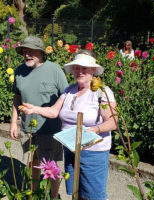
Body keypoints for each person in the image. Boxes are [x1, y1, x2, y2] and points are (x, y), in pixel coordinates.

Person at [21, 49, 117, 200]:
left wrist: (94, 130)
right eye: (76, 68)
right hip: (71, 149)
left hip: (93, 152)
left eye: (84, 68)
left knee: (93, 195)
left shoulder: (102, 92)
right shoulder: (69, 90)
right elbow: (54, 111)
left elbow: (113, 122)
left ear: (93, 70)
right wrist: (34, 109)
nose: (79, 71)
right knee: (76, 192)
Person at [9, 36, 68, 198]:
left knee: (51, 167)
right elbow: (17, 97)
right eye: (24, 51)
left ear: (41, 53)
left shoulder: (54, 70)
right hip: (28, 129)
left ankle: (54, 196)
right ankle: (34, 194)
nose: (26, 54)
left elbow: (66, 96)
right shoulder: (20, 70)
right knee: (33, 163)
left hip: (50, 129)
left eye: (31, 51)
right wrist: (13, 122)